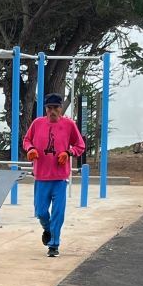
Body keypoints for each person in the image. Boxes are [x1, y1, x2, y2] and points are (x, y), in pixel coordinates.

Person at [23, 93, 85, 257]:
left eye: (56, 108)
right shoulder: (37, 123)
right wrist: (31, 149)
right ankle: (47, 229)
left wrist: (68, 153)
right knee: (41, 212)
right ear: (46, 109)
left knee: (58, 212)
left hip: (59, 178)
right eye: (49, 108)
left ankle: (54, 244)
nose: (52, 111)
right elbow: (27, 140)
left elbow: (80, 146)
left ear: (60, 108)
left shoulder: (69, 125)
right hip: (41, 177)